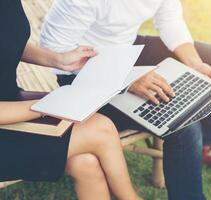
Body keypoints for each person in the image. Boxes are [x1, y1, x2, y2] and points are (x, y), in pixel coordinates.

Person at [40, 0, 211, 199]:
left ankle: (202, 147)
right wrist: (124, 78)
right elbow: (54, 50)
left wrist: (195, 63)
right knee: (182, 124)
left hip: (128, 48)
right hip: (83, 75)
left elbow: (169, 19)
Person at [0, 1, 142, 199]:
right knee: (102, 129)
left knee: (85, 163)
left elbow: (9, 42)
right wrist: (43, 107)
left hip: (11, 102)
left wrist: (58, 59)